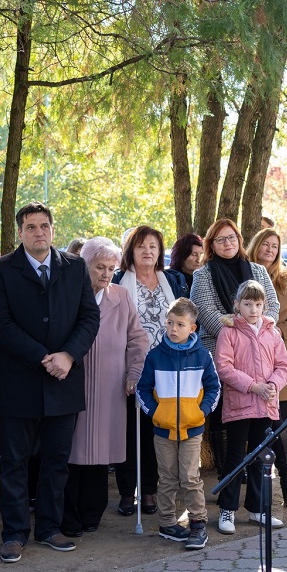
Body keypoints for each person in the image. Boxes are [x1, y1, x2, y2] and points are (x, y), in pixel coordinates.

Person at [0, 202, 100, 564]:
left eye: (44, 226)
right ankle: (14, 533)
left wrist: (69, 356)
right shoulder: (0, 270)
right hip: (19, 381)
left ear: (53, 229)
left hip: (64, 379)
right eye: (31, 227)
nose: (39, 232)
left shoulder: (75, 267)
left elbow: (89, 317)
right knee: (15, 462)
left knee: (56, 461)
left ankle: (49, 528)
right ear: (20, 232)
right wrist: (42, 356)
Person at [63, 238, 148, 536]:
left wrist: (134, 372)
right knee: (72, 451)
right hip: (73, 383)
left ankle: (92, 513)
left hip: (111, 386)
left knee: (100, 452)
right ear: (84, 265)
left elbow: (138, 338)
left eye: (111, 268)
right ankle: (69, 514)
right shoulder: (68, 293)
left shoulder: (121, 296)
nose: (106, 274)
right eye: (100, 267)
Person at [110, 225, 188, 517]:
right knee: (131, 433)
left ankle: (150, 491)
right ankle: (127, 492)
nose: (147, 251)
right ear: (130, 251)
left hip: (166, 369)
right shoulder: (119, 282)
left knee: (158, 432)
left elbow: (185, 319)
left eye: (153, 246)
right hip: (130, 368)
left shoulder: (173, 280)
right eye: (141, 246)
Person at [190, 218, 278, 476]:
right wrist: (240, 337)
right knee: (222, 412)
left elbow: (272, 306)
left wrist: (256, 335)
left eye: (231, 238)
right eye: (220, 239)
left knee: (256, 412)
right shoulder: (202, 275)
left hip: (259, 354)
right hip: (221, 351)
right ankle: (228, 471)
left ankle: (254, 467)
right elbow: (206, 313)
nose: (227, 243)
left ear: (239, 240)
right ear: (211, 245)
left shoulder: (258, 271)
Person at [136, 297, 220, 551]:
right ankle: (167, 523)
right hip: (163, 430)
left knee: (190, 477)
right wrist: (156, 413)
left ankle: (197, 523)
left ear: (192, 328)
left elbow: (214, 387)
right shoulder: (155, 356)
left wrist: (201, 412)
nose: (173, 329)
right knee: (167, 478)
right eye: (170, 322)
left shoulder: (202, 356)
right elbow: (143, 389)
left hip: (192, 429)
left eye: (180, 324)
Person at [213, 280, 287, 535]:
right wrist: (253, 386)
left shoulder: (272, 332)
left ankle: (258, 508)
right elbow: (224, 367)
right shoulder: (229, 331)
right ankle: (227, 509)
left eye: (258, 304)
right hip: (240, 404)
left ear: (264, 305)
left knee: (260, 457)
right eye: (248, 304)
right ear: (237, 305)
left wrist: (273, 384)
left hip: (265, 405)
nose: (253, 310)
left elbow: (284, 366)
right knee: (236, 457)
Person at [246, 227, 287, 508]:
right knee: (249, 426)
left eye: (274, 246)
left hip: (276, 357)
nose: (270, 250)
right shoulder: (244, 272)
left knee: (278, 422)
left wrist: (282, 330)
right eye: (265, 244)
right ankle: (251, 487)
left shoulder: (284, 278)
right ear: (256, 245)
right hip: (246, 359)